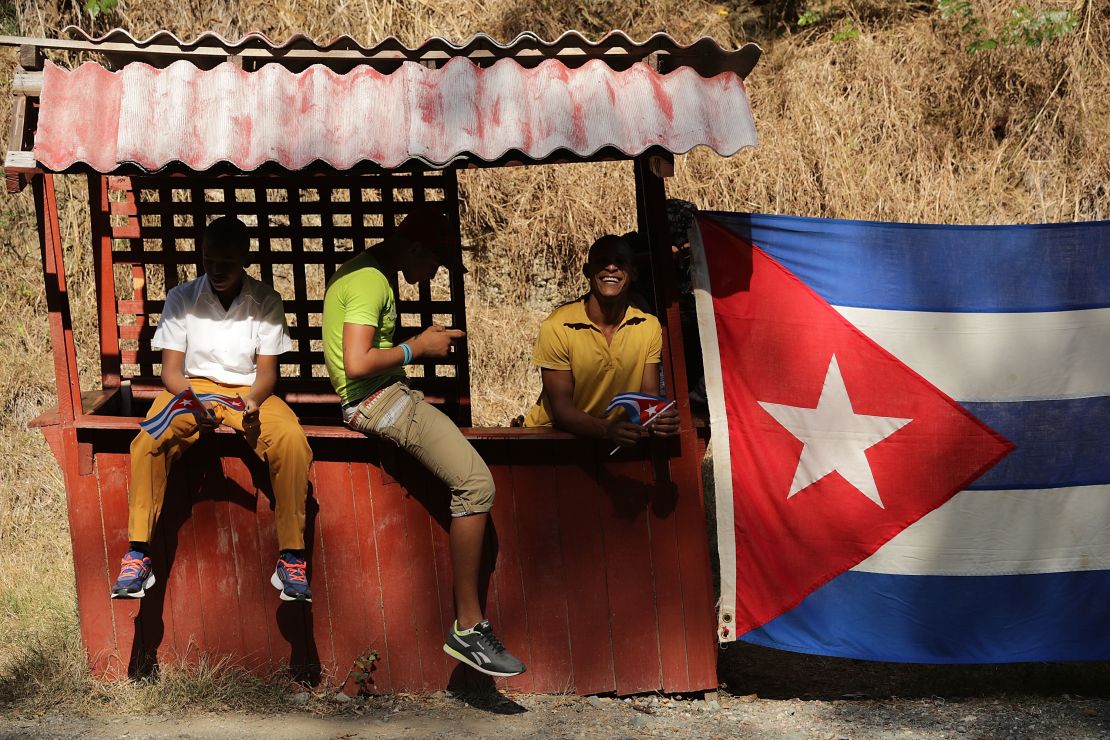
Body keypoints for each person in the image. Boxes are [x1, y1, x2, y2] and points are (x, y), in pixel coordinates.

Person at [322, 206, 525, 678]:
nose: (434, 273)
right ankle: (469, 627)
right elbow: (355, 362)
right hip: (375, 400)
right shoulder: (372, 281)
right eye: (435, 262)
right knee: (476, 485)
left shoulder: (363, 272)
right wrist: (419, 347)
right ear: (414, 248)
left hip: (380, 395)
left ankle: (470, 626)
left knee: (472, 482)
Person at [111, 216, 313, 603]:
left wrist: (253, 403)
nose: (217, 270)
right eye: (209, 261)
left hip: (247, 391)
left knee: (291, 440)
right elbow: (171, 371)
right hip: (192, 389)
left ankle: (292, 557)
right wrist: (193, 402)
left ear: (245, 259)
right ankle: (137, 553)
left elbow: (268, 373)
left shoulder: (265, 300)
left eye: (227, 262)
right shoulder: (181, 298)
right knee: (148, 439)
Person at [523, 233, 680, 445]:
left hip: (615, 437)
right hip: (555, 438)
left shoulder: (648, 326)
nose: (612, 268)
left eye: (620, 262)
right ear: (588, 272)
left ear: (633, 273)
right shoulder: (558, 326)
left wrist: (659, 418)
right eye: (602, 262)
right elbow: (562, 409)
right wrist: (607, 430)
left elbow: (647, 399)